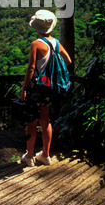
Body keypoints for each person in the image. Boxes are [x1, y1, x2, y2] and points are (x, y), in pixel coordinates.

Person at [20, 9, 72, 167]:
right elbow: (68, 60)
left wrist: (24, 88)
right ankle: (46, 154)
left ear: (37, 28)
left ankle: (29, 157)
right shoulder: (56, 43)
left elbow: (31, 68)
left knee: (31, 121)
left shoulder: (36, 44)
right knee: (45, 120)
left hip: (36, 88)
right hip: (49, 88)